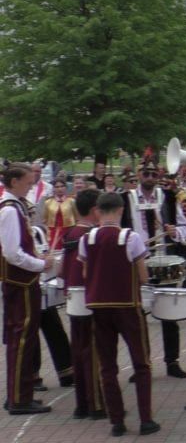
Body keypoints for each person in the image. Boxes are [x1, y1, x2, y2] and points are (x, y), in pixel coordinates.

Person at [79, 192, 160, 436]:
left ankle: (116, 422)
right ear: (121, 210)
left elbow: (86, 273)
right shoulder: (130, 237)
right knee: (141, 363)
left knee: (107, 366)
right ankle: (146, 419)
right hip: (127, 305)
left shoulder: (87, 238)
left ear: (98, 211)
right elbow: (143, 276)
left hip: (99, 306)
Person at [121, 160, 186, 379]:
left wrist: (174, 232)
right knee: (137, 319)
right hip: (138, 264)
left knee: (169, 315)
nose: (150, 177)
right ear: (139, 175)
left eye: (153, 173)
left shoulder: (168, 198)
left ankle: (172, 362)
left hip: (165, 263)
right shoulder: (126, 199)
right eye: (146, 173)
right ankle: (142, 365)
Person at [2, 163, 56, 415]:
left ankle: (18, 394)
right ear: (14, 182)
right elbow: (12, 253)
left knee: (23, 339)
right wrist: (41, 264)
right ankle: (19, 399)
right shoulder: (9, 210)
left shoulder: (15, 207)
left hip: (22, 281)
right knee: (22, 340)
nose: (31, 186)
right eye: (27, 182)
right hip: (20, 283)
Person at [62, 188, 105, 419]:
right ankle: (95, 404)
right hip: (89, 297)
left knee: (78, 350)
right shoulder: (91, 235)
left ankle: (81, 404)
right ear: (94, 210)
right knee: (92, 351)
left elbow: (63, 270)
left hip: (72, 295)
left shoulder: (70, 232)